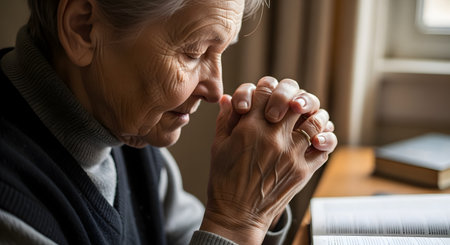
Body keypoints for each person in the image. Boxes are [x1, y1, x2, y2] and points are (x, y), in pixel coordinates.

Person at [0, 0, 337, 244]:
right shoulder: (12, 207)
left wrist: (262, 196)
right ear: (82, 28)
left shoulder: (124, 127)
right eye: (193, 52)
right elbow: (225, 233)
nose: (215, 90)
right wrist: (238, 221)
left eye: (221, 51)